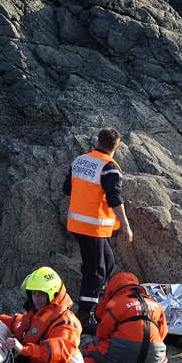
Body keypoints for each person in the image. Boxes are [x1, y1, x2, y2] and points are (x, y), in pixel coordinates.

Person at [63, 126, 133, 325]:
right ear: (116, 147)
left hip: (78, 224)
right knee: (96, 270)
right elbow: (114, 198)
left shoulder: (79, 161)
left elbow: (66, 188)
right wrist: (126, 226)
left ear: (98, 141)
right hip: (92, 227)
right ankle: (85, 316)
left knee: (108, 264)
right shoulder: (109, 166)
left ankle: (99, 304)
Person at [0, 266, 88, 363]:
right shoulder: (34, 316)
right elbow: (16, 323)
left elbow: (59, 350)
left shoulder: (67, 321)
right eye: (34, 294)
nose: (36, 299)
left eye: (41, 294)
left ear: (51, 294)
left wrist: (23, 349)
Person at [83, 271, 168, 363]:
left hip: (123, 349)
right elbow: (163, 332)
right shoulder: (155, 304)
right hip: (153, 352)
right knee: (163, 358)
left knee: (90, 349)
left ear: (113, 288)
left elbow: (102, 333)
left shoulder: (117, 302)